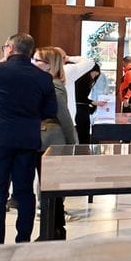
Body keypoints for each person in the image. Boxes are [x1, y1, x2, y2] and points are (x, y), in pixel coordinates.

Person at [0, 33, 57, 244]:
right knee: (25, 192)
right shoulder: (43, 77)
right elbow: (50, 110)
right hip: (26, 140)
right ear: (30, 51)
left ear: (9, 48)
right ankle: (23, 240)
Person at [32, 46, 77, 239]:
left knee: (51, 188)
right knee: (48, 187)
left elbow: (64, 118)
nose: (33, 63)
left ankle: (54, 230)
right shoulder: (45, 82)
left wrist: (73, 143)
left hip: (51, 139)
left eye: (37, 60)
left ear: (50, 65)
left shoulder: (54, 84)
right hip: (44, 137)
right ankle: (54, 229)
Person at [73, 63, 106, 144]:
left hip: (79, 110)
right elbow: (80, 97)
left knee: (82, 135)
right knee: (84, 135)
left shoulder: (80, 78)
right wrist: (94, 102)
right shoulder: (84, 80)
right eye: (94, 74)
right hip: (81, 111)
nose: (94, 77)